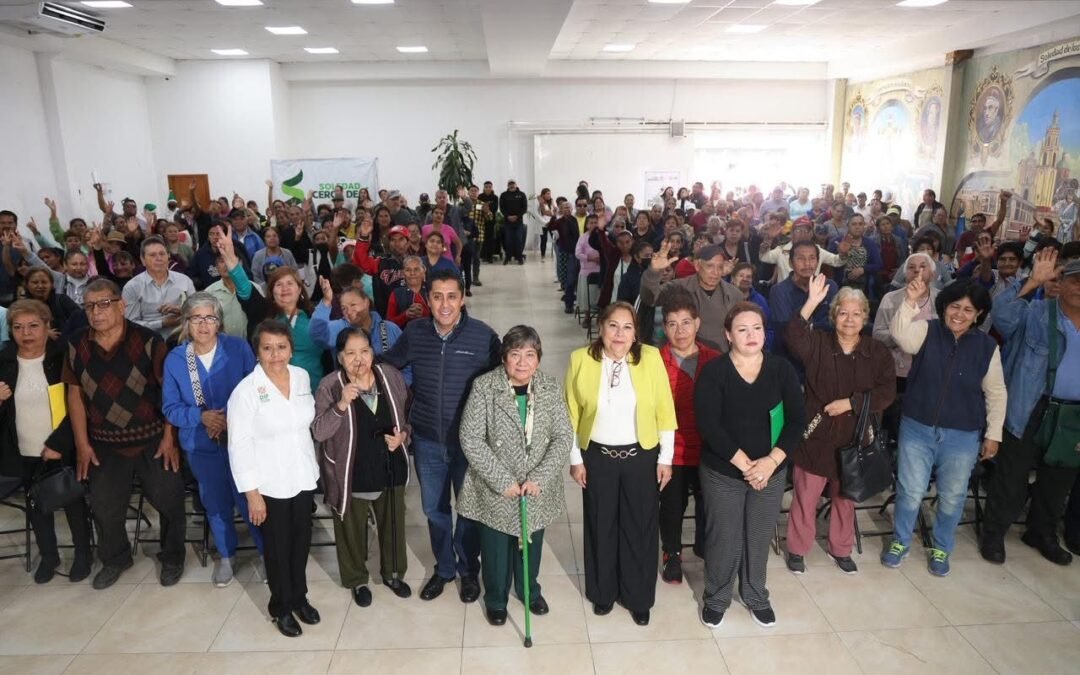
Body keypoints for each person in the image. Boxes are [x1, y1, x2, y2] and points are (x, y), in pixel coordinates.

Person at [381, 269, 501, 603]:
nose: (444, 304)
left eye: (451, 296)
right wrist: (356, 363)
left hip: (469, 443)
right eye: (437, 297)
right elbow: (388, 365)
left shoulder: (483, 337)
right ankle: (445, 569)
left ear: (462, 299)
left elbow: (504, 381)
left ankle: (469, 571)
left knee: (469, 510)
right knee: (434, 510)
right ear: (428, 299)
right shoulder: (415, 333)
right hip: (427, 440)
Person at [64, 278, 187, 589]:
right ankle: (115, 558)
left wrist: (170, 437)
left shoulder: (148, 341)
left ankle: (173, 556)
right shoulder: (76, 344)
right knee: (104, 505)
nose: (96, 312)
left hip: (152, 438)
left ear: (121, 305)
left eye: (104, 304)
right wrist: (81, 444)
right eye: (89, 306)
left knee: (169, 497)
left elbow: (170, 392)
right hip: (104, 442)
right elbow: (74, 395)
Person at [883, 277, 1006, 576]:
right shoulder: (927, 330)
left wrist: (993, 434)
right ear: (944, 307)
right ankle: (900, 541)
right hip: (917, 427)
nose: (959, 314)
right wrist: (910, 301)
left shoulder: (987, 346)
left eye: (968, 309)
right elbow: (901, 336)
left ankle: (941, 547)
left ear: (978, 314)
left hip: (963, 435)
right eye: (954, 306)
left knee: (952, 495)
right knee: (910, 490)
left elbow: (996, 392)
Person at [564, 302, 676, 626]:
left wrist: (665, 457)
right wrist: (575, 459)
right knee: (601, 524)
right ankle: (603, 592)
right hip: (597, 458)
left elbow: (665, 410)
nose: (619, 334)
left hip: (641, 457)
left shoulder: (650, 358)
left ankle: (638, 597)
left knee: (640, 527)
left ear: (636, 333)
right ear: (601, 327)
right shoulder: (580, 360)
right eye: (613, 325)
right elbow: (569, 415)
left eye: (627, 327)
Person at [694, 302, 805, 628]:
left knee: (758, 537)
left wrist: (770, 463)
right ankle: (717, 598)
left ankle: (756, 595)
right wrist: (747, 465)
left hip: (770, 472)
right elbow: (709, 424)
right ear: (728, 335)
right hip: (724, 471)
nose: (751, 335)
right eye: (742, 329)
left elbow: (796, 420)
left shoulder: (781, 369)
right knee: (724, 538)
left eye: (757, 328)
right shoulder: (714, 372)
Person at [458, 326, 573, 625]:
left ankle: (529, 591)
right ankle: (496, 599)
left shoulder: (549, 387)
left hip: (535, 487)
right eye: (515, 354)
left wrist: (540, 477)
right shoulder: (484, 387)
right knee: (495, 548)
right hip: (496, 486)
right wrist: (502, 481)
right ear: (504, 358)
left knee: (530, 545)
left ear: (539, 359)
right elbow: (470, 438)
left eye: (530, 355)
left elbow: (563, 436)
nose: (523, 362)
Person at [783, 278, 896, 575]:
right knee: (805, 497)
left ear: (865, 317)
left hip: (854, 438)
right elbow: (792, 335)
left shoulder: (877, 352)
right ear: (833, 316)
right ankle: (797, 549)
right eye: (843, 312)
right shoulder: (818, 342)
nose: (849, 319)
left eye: (856, 313)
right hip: (816, 435)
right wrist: (811, 302)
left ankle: (841, 549)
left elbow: (887, 392)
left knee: (846, 499)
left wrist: (851, 403)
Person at [982, 250, 1080, 565]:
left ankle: (1041, 533)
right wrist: (1032, 281)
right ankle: (993, 534)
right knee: (1011, 479)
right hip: (1031, 408)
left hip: (1073, 415)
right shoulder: (1037, 314)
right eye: (1075, 280)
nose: (1079, 288)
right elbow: (1002, 315)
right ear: (1061, 282)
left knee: (1057, 481)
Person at [161, 293, 263, 587]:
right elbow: (170, 408)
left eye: (210, 318)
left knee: (252, 499)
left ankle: (267, 553)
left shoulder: (238, 348)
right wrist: (201, 417)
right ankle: (227, 556)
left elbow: (256, 389)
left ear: (219, 322)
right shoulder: (176, 359)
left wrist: (230, 418)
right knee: (216, 504)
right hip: (201, 446)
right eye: (196, 318)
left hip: (242, 442)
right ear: (186, 322)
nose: (204, 325)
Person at [227, 320, 321, 637]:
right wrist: (252, 494)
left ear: (291, 349)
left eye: (281, 347)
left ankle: (299, 597)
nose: (275, 355)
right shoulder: (245, 392)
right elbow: (238, 446)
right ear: (257, 352)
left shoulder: (301, 377)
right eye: (267, 348)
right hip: (270, 484)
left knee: (300, 543)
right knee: (278, 549)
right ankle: (280, 606)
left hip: (303, 476)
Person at [312, 327, 412, 607]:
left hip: (390, 466)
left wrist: (403, 436)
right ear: (340, 358)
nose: (359, 359)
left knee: (393, 525)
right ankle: (357, 580)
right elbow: (319, 431)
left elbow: (407, 417)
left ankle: (393, 574)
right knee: (351, 530)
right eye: (351, 353)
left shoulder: (389, 376)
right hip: (351, 472)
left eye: (365, 351)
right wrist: (341, 404)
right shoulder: (330, 386)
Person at [0, 300, 93, 584]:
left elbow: (79, 404)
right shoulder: (3, 361)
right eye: (18, 327)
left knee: (73, 502)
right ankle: (49, 556)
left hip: (61, 446)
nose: (26, 333)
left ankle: (83, 554)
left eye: (33, 326)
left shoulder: (62, 357)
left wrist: (59, 443)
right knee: (36, 506)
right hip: (22, 447)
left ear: (46, 325)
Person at [657, 291, 721, 584]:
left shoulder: (715, 359)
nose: (680, 331)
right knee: (672, 505)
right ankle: (671, 553)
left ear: (697, 323)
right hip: (673, 450)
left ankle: (704, 546)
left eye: (686, 322)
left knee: (710, 503)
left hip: (709, 448)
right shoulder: (655, 361)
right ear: (664, 328)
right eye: (672, 324)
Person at [219, 226, 324, 390]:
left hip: (312, 392)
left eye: (290, 283)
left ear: (299, 289)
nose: (285, 288)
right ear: (271, 291)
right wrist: (231, 259)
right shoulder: (262, 313)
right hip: (270, 392)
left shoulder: (315, 317)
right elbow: (245, 288)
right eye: (279, 284)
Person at [640, 243, 742, 351]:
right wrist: (654, 272)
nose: (715, 272)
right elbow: (650, 298)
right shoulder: (679, 288)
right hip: (683, 357)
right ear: (697, 265)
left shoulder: (734, 294)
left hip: (720, 356)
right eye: (710, 266)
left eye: (720, 267)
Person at [122, 236, 196, 338]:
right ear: (143, 260)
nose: (159, 258)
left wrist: (181, 310)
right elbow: (130, 324)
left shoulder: (184, 280)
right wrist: (162, 323)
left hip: (182, 338)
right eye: (152, 255)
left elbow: (198, 311)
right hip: (147, 340)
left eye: (162, 254)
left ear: (168, 256)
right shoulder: (132, 287)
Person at [385, 256, 430, 328]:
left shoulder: (431, 290)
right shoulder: (396, 294)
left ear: (423, 271)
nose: (412, 273)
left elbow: (441, 317)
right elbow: (388, 324)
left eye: (416, 269)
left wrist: (424, 313)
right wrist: (406, 315)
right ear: (403, 273)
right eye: (408, 270)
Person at [499, 179, 528, 265]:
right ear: (508, 185)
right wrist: (508, 216)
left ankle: (519, 257)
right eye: (510, 184)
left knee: (518, 240)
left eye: (513, 184)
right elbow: (502, 208)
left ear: (516, 185)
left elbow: (524, 208)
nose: (511, 185)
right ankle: (507, 257)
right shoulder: (503, 195)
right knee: (508, 240)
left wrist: (517, 216)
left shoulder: (521, 194)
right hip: (507, 222)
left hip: (518, 222)